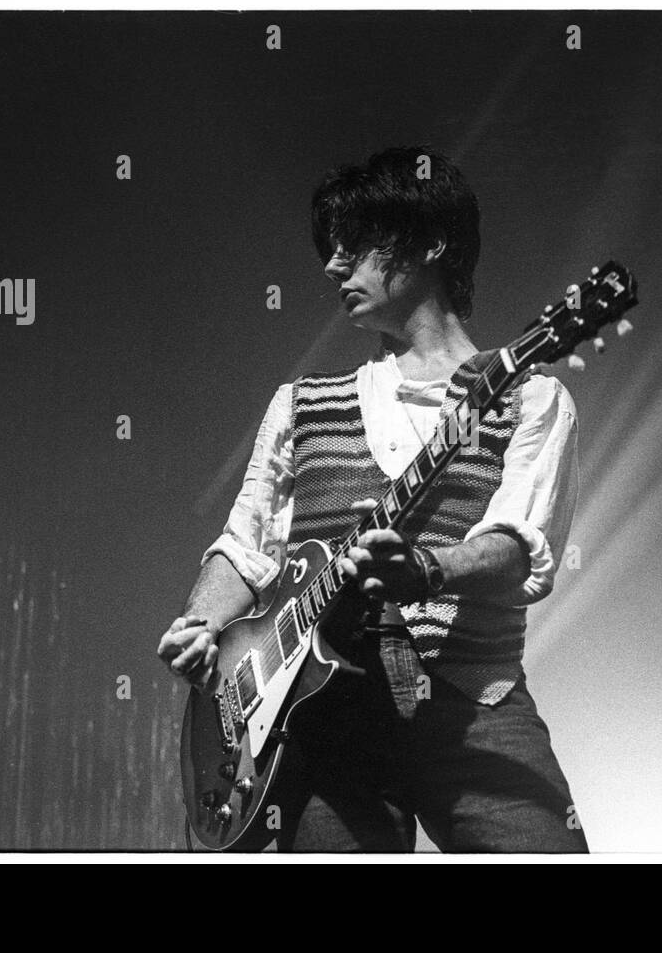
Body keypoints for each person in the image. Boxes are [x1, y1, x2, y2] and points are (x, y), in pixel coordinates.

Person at [157, 146, 588, 852]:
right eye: (332, 249)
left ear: (429, 242)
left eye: (354, 246)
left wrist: (427, 569)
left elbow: (518, 547)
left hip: (474, 707)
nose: (333, 267)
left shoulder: (531, 398)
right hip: (329, 725)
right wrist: (203, 624)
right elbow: (245, 548)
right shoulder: (301, 404)